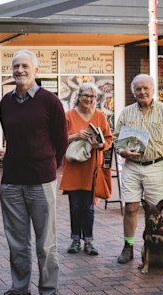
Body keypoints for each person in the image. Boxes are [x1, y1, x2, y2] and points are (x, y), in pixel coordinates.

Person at [0, 50, 68, 295]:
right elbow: (10, 138)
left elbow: (61, 141)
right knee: (17, 241)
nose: (20, 70)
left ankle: (49, 294)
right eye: (15, 66)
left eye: (25, 65)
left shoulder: (50, 101)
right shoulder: (5, 103)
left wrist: (48, 165)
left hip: (40, 181)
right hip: (11, 181)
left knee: (45, 243)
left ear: (35, 70)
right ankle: (20, 289)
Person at [114, 74, 163, 264]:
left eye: (146, 88)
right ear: (133, 92)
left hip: (157, 166)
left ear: (153, 90)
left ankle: (157, 249)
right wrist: (122, 151)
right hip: (132, 167)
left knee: (154, 212)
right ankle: (128, 247)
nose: (142, 92)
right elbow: (116, 138)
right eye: (138, 89)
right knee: (131, 208)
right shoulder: (126, 113)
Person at [59, 83, 113, 255]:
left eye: (92, 97)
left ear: (96, 99)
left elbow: (109, 140)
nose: (89, 99)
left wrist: (101, 144)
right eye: (85, 96)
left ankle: (88, 242)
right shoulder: (68, 116)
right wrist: (76, 135)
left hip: (92, 169)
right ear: (78, 96)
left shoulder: (100, 116)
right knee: (75, 206)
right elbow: (58, 140)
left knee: (88, 207)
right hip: (74, 169)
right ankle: (75, 240)